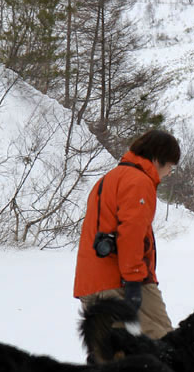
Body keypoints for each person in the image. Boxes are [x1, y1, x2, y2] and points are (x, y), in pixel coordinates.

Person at [74, 129, 181, 339]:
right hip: (119, 283)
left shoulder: (109, 179)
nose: (169, 173)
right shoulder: (139, 182)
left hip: (91, 283)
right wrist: (133, 282)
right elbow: (131, 235)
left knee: (112, 358)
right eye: (171, 167)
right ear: (158, 158)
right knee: (165, 347)